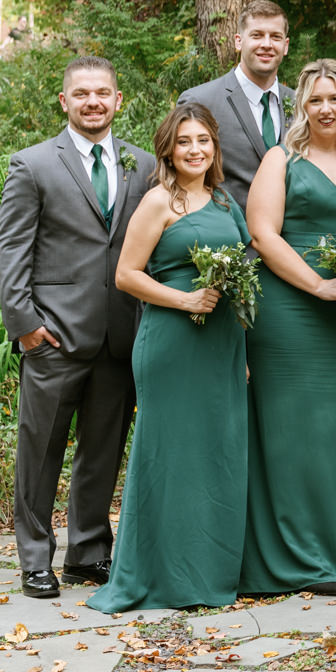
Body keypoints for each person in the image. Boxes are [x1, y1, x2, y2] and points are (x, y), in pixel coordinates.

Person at [0, 56, 155, 599]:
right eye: (82, 93)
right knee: (40, 452)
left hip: (119, 333)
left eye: (102, 93)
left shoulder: (144, 164)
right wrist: (25, 326)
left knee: (102, 451)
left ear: (117, 100)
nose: (93, 102)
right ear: (64, 101)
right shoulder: (34, 164)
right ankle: (36, 558)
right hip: (53, 336)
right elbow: (12, 248)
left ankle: (88, 554)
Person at [88, 104, 250, 611]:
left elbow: (245, 270)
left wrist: (241, 349)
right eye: (185, 142)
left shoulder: (225, 202)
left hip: (221, 345)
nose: (196, 149)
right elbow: (127, 275)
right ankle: (158, 575)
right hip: (172, 342)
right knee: (169, 457)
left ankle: (207, 572)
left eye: (204, 140)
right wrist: (184, 300)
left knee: (214, 456)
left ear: (215, 148)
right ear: (168, 150)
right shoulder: (159, 202)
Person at [240, 59, 336, 595]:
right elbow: (263, 234)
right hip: (289, 310)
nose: (326, 109)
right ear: (302, 105)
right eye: (315, 100)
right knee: (289, 432)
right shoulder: (281, 159)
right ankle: (285, 557)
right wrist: (317, 286)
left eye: (335, 99)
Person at [178, 0, 293, 211]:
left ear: (285, 46)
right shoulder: (200, 101)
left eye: (275, 37)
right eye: (257, 35)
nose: (267, 44)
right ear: (238, 42)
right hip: (228, 234)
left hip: (290, 237)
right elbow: (179, 180)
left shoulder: (301, 104)